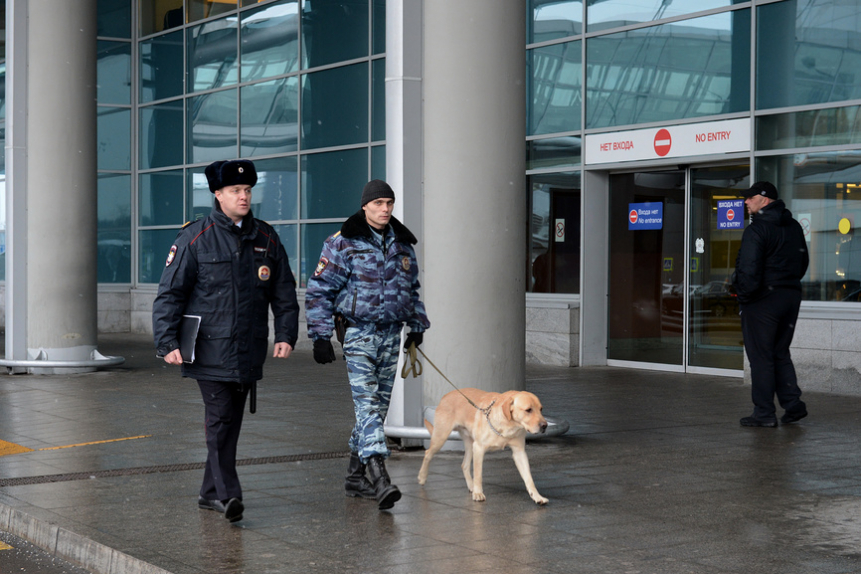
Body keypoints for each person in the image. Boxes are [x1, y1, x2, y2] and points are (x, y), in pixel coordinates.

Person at [152, 159, 299, 522]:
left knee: (230, 422)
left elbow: (284, 291)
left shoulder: (266, 237)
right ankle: (229, 495)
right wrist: (166, 341)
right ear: (217, 195)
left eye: (247, 190)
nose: (243, 196)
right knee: (219, 419)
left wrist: (285, 334)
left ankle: (208, 492)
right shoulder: (195, 237)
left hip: (249, 348)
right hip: (209, 349)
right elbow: (170, 293)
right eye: (235, 191)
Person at [305, 179, 430, 510]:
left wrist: (417, 327)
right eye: (378, 204)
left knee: (377, 407)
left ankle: (354, 477)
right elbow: (320, 290)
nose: (385, 209)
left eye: (389, 203)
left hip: (391, 335)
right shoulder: (343, 242)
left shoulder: (402, 244)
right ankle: (379, 476)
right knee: (367, 406)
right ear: (365, 206)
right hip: (359, 334)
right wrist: (320, 335)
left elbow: (411, 289)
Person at [732, 181, 809, 428]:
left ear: (764, 200)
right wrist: (786, 284)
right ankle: (793, 405)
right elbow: (803, 262)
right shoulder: (794, 227)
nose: (745, 201)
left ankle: (764, 412)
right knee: (779, 352)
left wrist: (744, 297)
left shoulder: (757, 230)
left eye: (749, 197)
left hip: (762, 301)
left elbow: (749, 269)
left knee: (761, 357)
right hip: (789, 297)